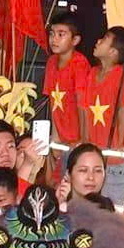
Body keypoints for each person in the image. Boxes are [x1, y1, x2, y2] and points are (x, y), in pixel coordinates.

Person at [40, 17, 94, 150]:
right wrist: (55, 137)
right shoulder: (51, 62)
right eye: (51, 34)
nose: (54, 39)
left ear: (75, 40)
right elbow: (53, 102)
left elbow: (83, 105)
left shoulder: (80, 64)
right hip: (60, 138)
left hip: (77, 139)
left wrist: (82, 141)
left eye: (61, 34)